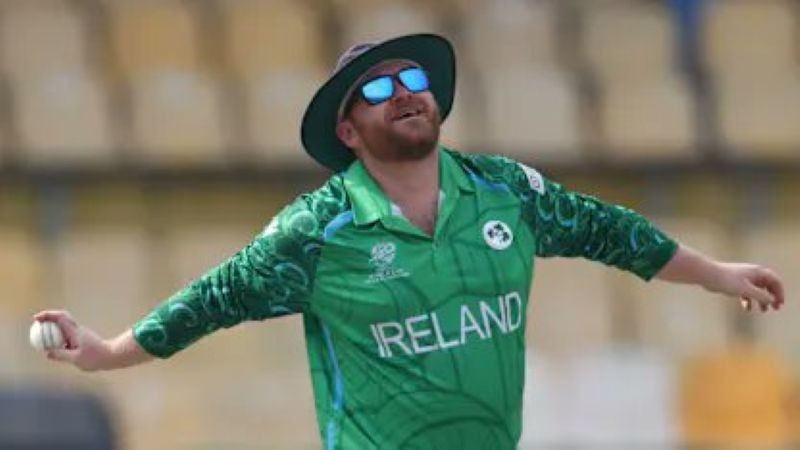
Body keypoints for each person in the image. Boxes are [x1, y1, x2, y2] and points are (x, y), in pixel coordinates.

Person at [34, 34, 785, 449]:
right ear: (347, 131)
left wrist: (715, 273)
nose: (403, 93)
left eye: (413, 79)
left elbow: (607, 232)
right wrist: (106, 353)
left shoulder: (505, 191)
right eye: (377, 89)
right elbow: (211, 301)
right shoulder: (315, 232)